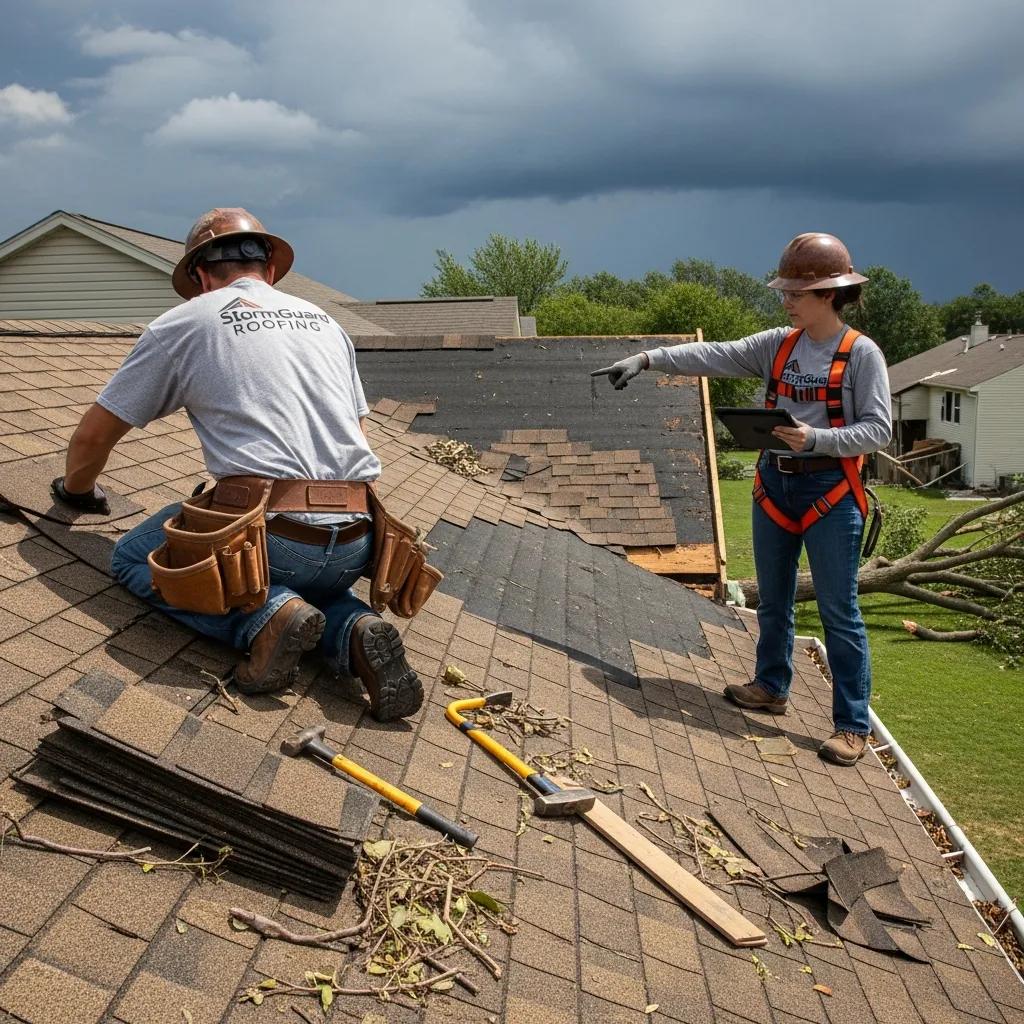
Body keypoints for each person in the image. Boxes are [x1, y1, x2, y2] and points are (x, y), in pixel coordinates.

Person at [51, 208, 422, 721]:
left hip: (270, 536)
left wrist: (76, 492)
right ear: (269, 268)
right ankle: (352, 629)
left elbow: (93, 437)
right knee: (306, 586)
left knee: (134, 558)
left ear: (200, 275)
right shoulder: (326, 323)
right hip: (358, 543)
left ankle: (264, 621)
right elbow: (360, 438)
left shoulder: (187, 322)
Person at [592, 233, 891, 766]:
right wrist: (648, 359)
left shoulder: (861, 354)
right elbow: (715, 355)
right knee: (773, 600)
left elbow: (879, 430)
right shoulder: (780, 343)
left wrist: (816, 439)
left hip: (830, 492)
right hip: (775, 487)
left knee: (838, 610)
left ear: (828, 294)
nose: (786, 300)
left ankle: (850, 725)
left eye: (795, 293)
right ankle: (772, 687)